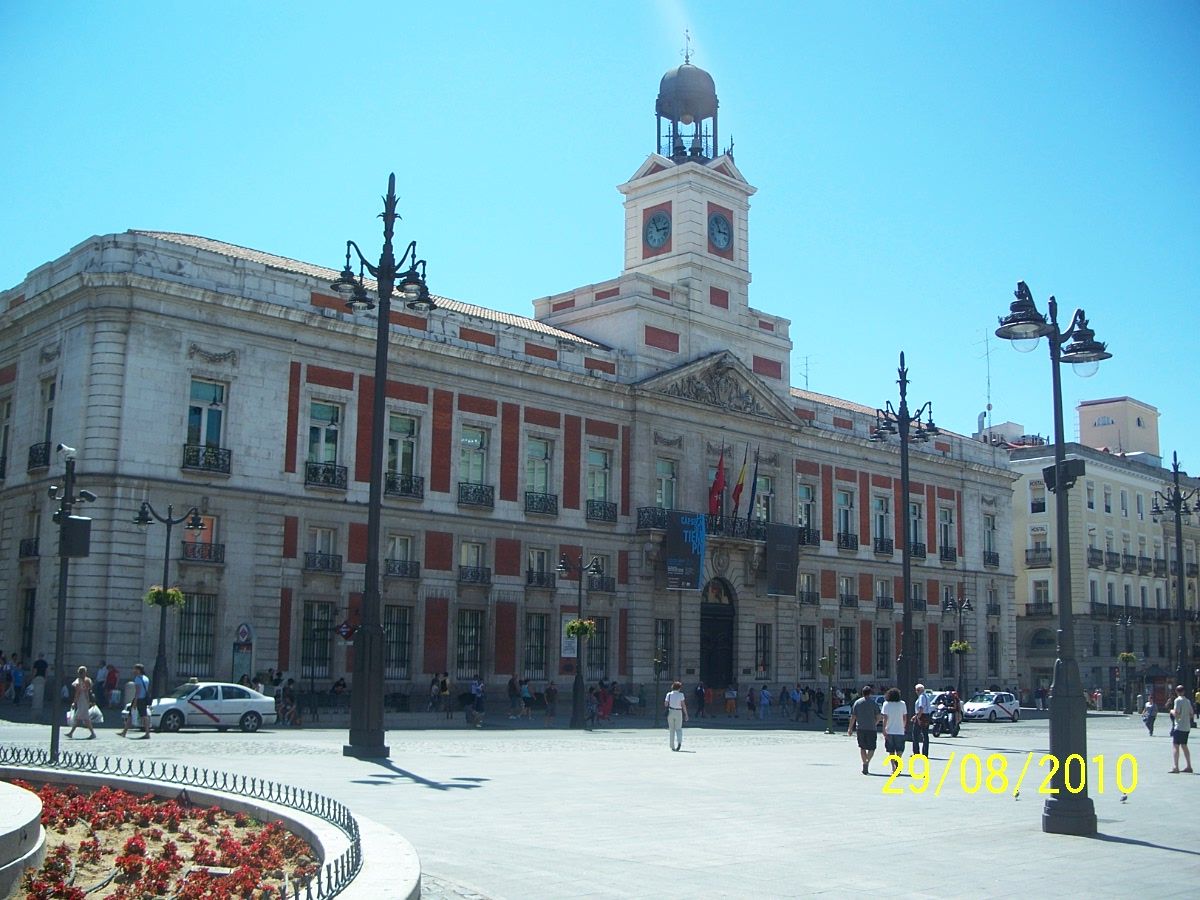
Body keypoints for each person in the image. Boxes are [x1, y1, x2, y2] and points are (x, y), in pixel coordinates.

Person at [848, 685, 881, 775]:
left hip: (860, 728)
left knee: (862, 747)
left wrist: (850, 728)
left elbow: (853, 717)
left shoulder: (857, 703)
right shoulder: (874, 703)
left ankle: (864, 762)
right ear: (870, 693)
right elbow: (878, 717)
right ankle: (867, 762)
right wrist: (875, 723)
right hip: (871, 728)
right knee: (872, 748)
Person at [120, 663, 151, 738]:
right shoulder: (146, 678)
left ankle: (147, 733)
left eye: (135, 669)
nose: (133, 670)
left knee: (143, 716)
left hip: (139, 699)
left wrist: (135, 702)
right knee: (132, 715)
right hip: (144, 699)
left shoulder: (137, 679)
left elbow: (137, 692)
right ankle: (124, 732)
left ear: (139, 670)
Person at [881, 687, 908, 773]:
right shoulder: (902, 704)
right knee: (900, 750)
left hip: (889, 730)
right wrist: (903, 726)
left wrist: (884, 728)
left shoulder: (886, 704)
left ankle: (893, 767)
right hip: (900, 730)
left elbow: (885, 718)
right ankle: (898, 765)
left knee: (891, 751)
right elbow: (904, 717)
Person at [1169, 684, 1194, 773]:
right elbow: (1191, 714)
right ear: (1184, 691)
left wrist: (1171, 711)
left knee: (1176, 746)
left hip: (1179, 726)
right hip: (1186, 727)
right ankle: (1189, 766)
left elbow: (1177, 713)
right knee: (1184, 746)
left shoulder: (1177, 700)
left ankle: (1176, 767)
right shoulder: (1188, 701)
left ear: (1176, 692)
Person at [66, 666, 96, 739]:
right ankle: (92, 733)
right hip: (86, 700)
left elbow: (78, 692)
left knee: (80, 717)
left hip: (81, 700)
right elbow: (89, 691)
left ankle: (71, 733)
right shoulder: (88, 680)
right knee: (84, 718)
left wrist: (74, 702)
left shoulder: (78, 681)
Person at [664, 680, 689, 751]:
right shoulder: (681, 695)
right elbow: (683, 705)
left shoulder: (668, 694)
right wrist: (686, 714)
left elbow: (666, 704)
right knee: (678, 728)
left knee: (671, 729)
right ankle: (679, 742)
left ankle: (672, 746)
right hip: (678, 712)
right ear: (679, 688)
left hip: (671, 711)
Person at [911, 683, 932, 758]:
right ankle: (925, 753)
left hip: (922, 716)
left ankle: (916, 752)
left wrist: (917, 717)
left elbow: (921, 708)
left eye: (916, 690)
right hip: (926, 716)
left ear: (919, 690)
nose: (916, 692)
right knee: (925, 734)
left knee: (915, 734)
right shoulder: (926, 696)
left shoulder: (921, 697)